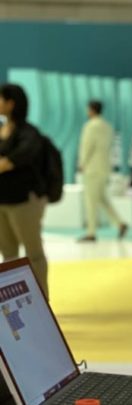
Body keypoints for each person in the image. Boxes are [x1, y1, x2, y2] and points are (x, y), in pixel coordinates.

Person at [0, 84, 49, 297]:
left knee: (34, 254)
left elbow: (17, 158)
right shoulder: (2, 130)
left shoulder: (29, 133)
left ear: (11, 103)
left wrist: (6, 163)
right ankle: (16, 303)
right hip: (2, 201)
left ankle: (42, 300)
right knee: (8, 255)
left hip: (23, 201)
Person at [78, 100, 127, 242]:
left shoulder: (90, 126)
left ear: (91, 110)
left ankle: (91, 233)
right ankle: (120, 223)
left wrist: (82, 163)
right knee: (102, 198)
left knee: (90, 201)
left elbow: (88, 146)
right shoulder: (107, 126)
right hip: (104, 167)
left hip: (92, 168)